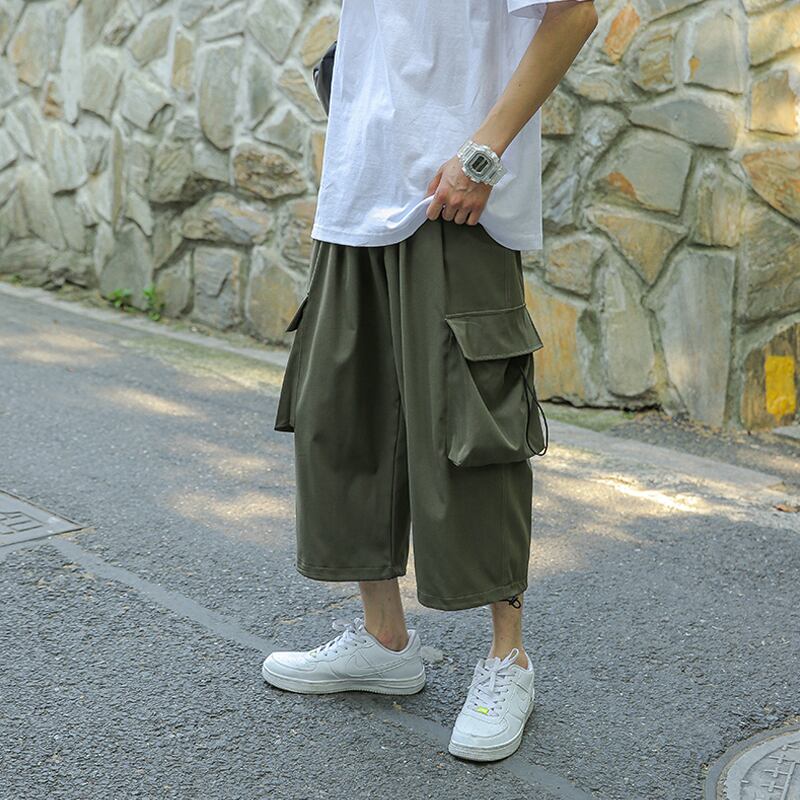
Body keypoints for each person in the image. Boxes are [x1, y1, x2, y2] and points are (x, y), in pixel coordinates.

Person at [263, 0, 598, 762]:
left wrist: (482, 154)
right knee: (340, 415)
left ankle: (509, 660)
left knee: (472, 426)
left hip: (455, 200)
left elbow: (575, 12)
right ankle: (384, 640)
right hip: (356, 193)